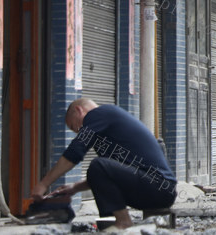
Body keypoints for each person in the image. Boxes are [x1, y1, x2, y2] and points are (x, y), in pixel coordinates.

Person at [31, 98, 176, 229]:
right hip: (160, 190)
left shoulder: (98, 114)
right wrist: (74, 188)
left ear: (79, 110)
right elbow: (108, 175)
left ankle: (123, 222)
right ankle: (122, 221)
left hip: (157, 186)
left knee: (98, 165)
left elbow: (75, 151)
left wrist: (43, 184)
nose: (76, 131)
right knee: (100, 167)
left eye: (72, 125)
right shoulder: (107, 131)